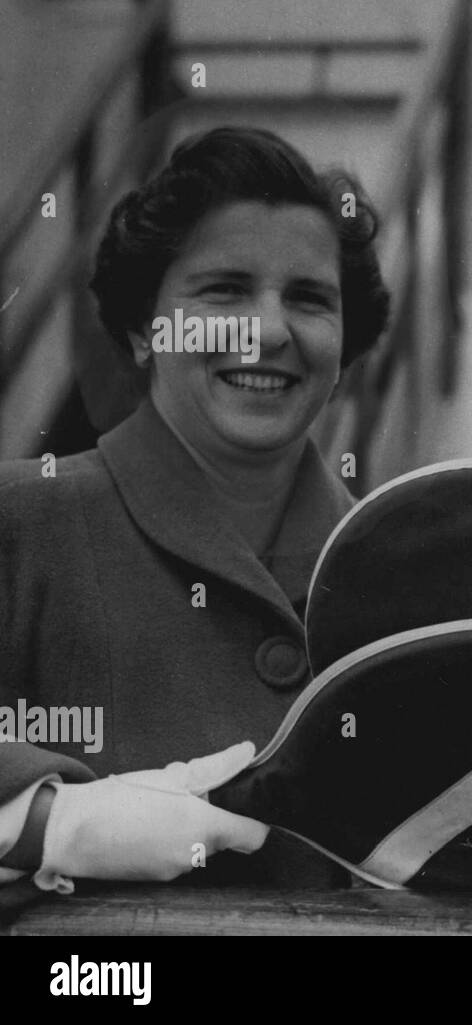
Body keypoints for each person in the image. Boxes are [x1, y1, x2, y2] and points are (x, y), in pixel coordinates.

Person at [0, 126, 391, 907]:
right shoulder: (21, 521)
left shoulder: (402, 567)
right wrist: (46, 820)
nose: (271, 329)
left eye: (310, 298)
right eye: (225, 290)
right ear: (145, 329)